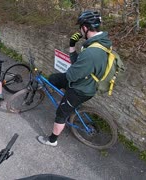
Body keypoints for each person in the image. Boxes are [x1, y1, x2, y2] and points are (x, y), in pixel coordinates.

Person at [37, 10, 112, 146]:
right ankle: (68, 104)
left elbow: (72, 74)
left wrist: (74, 68)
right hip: (85, 80)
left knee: (61, 113)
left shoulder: (91, 52)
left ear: (85, 27)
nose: (80, 30)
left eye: (80, 27)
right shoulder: (101, 43)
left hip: (82, 89)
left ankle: (52, 140)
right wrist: (72, 45)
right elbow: (79, 63)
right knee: (54, 78)